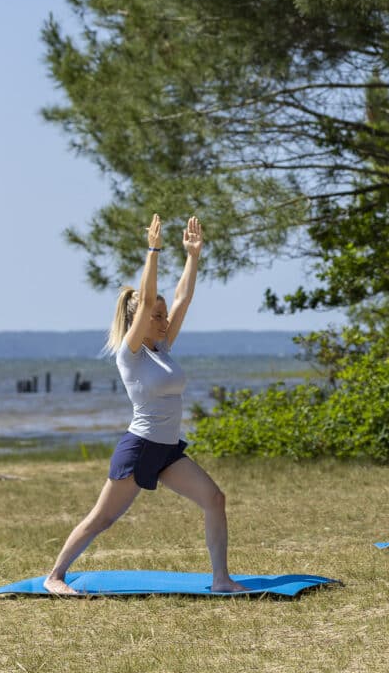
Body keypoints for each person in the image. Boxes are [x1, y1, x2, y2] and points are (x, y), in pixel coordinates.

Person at [44, 214, 247, 594]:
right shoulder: (131, 353)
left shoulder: (162, 348)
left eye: (164, 315)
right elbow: (149, 298)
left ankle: (221, 579)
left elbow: (183, 298)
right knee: (102, 519)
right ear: (138, 319)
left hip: (167, 449)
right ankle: (55, 576)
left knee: (214, 499)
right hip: (140, 448)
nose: (165, 320)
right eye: (157, 316)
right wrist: (153, 251)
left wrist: (193, 256)